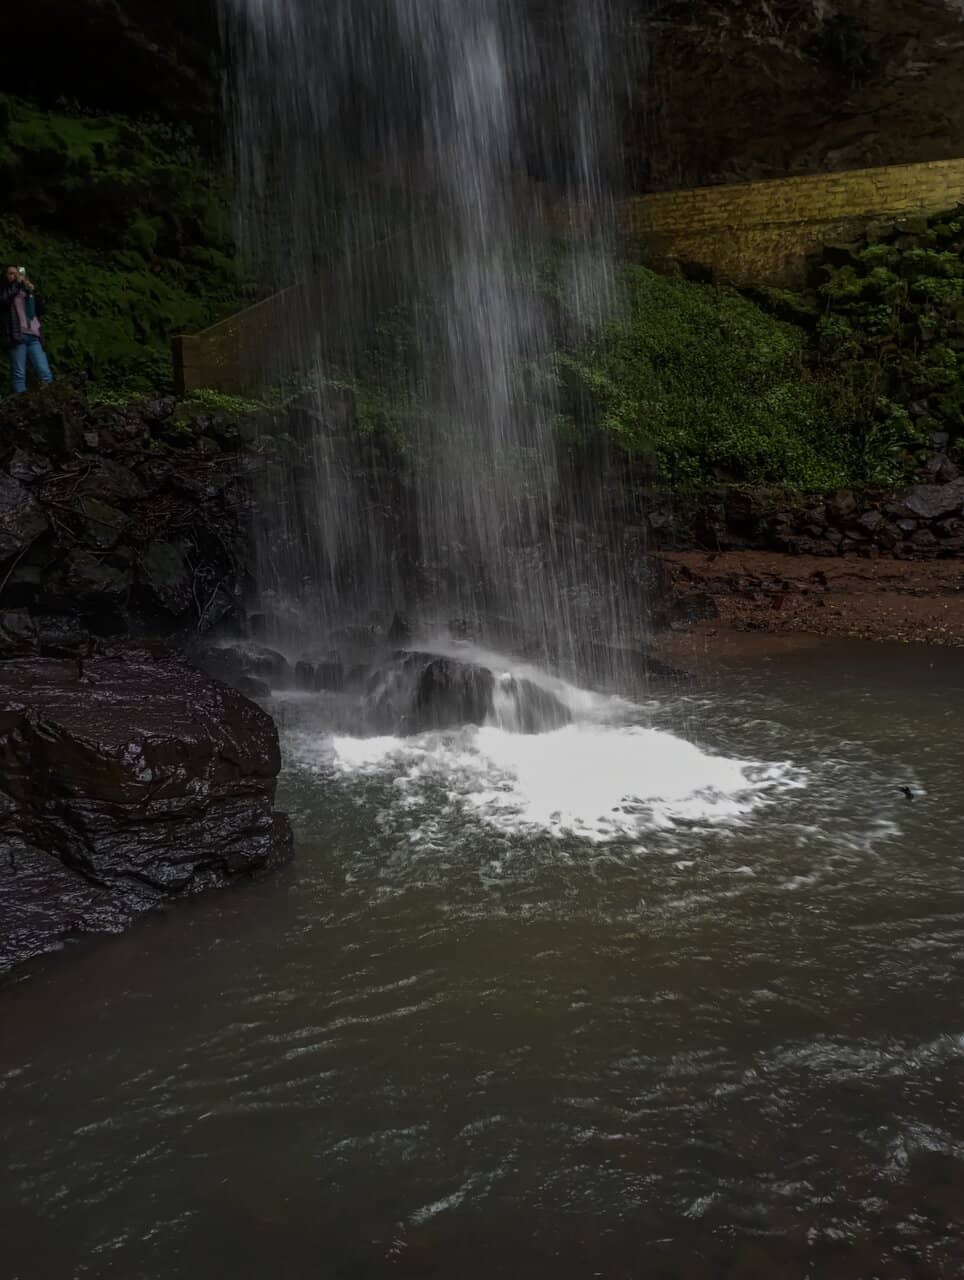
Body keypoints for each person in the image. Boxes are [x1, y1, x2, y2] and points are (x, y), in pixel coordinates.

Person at [1, 264, 53, 394]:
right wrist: (17, 285)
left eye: (17, 273)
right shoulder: (6, 290)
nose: (15, 275)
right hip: (18, 336)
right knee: (19, 374)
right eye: (11, 273)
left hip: (34, 335)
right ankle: (21, 406)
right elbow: (3, 300)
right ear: (6, 276)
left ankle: (48, 403)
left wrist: (32, 291)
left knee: (44, 371)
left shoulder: (26, 290)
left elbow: (40, 310)